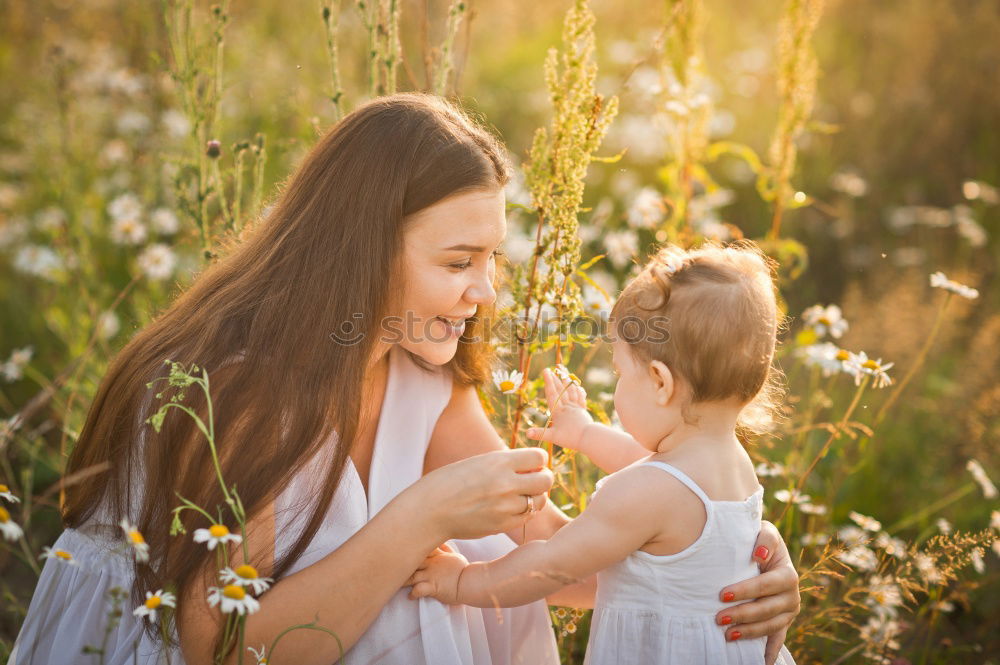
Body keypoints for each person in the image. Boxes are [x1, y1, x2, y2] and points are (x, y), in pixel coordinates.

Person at [8, 94, 799, 665]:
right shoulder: (239, 392)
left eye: (492, 259)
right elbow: (217, 647)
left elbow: (570, 560)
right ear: (362, 252)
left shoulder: (424, 380)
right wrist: (420, 516)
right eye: (458, 263)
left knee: (455, 566)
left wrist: (734, 554)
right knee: (423, 568)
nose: (487, 291)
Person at [407, 242, 798, 664]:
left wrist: (463, 581)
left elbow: (552, 564)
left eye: (619, 372)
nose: (615, 389)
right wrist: (586, 433)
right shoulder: (730, 463)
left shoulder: (648, 492)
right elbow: (647, 465)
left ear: (660, 381)